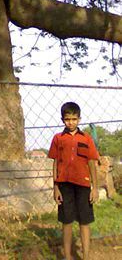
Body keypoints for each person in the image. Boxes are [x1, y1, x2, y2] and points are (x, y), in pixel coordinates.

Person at [48, 101, 99, 260]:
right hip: (64, 185)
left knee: (84, 222)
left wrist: (95, 188)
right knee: (67, 221)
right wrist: (56, 187)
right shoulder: (58, 139)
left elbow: (92, 163)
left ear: (79, 119)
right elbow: (56, 163)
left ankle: (86, 256)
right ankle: (68, 256)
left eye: (74, 119)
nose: (71, 122)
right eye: (67, 119)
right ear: (63, 119)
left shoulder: (86, 139)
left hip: (83, 185)